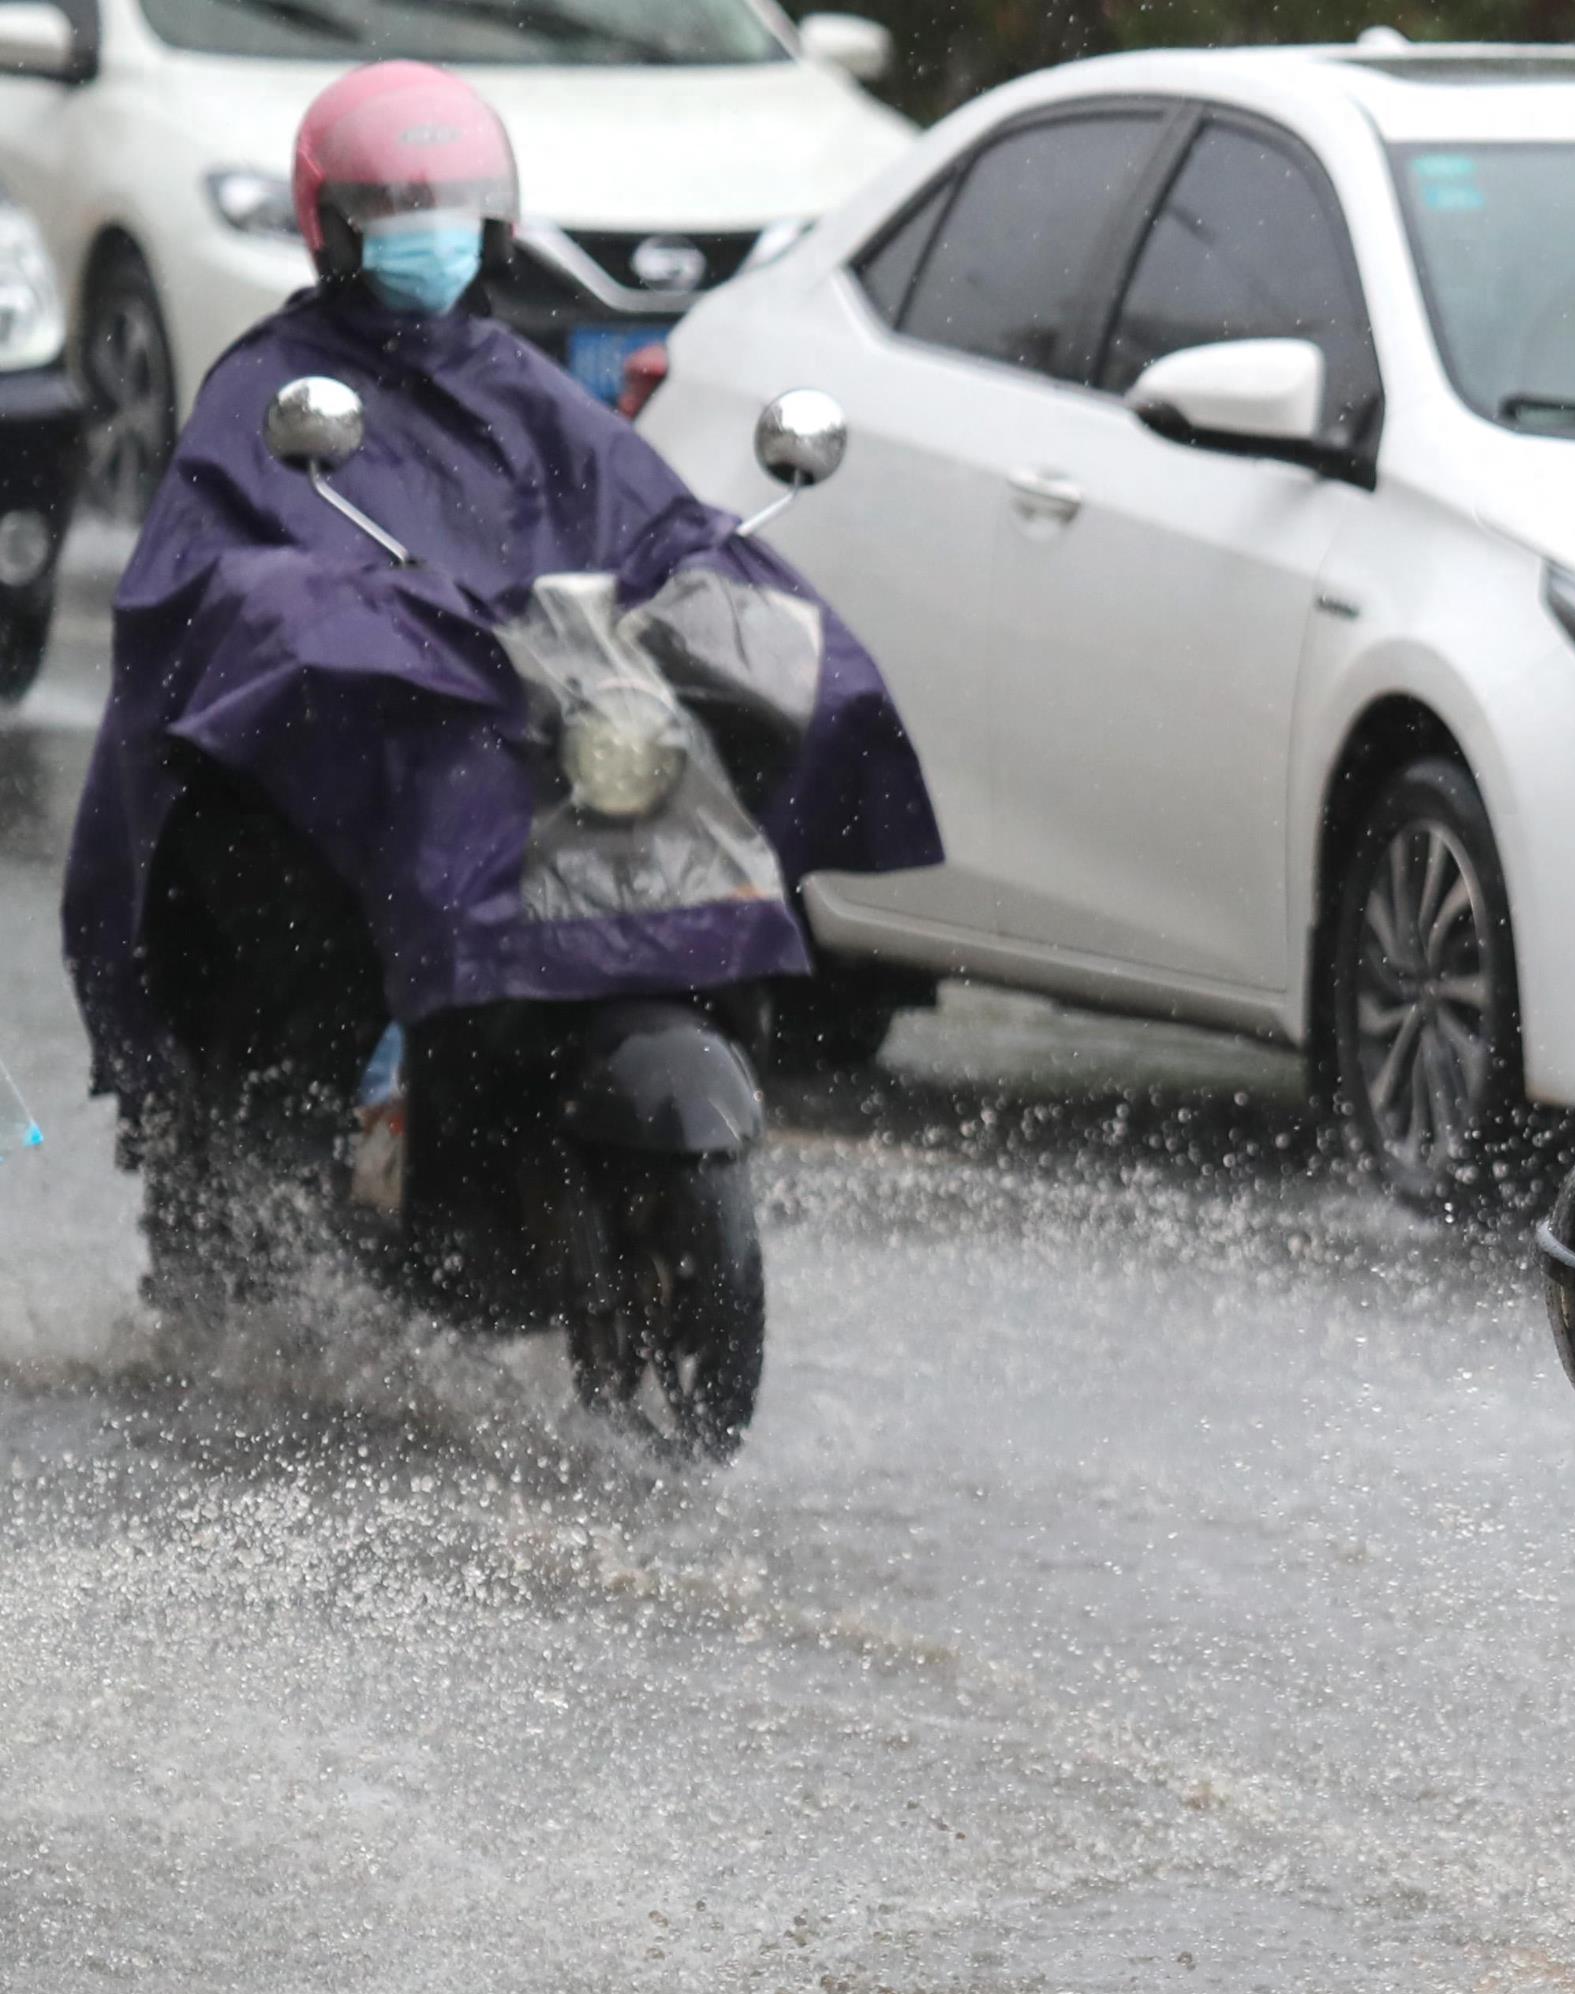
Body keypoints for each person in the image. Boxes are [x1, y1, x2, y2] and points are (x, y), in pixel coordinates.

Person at [60, 62, 936, 1288]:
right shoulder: (272, 393)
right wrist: (360, 621)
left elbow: (650, 519)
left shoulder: (520, 386)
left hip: (535, 759)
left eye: (449, 206)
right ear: (334, 224)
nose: (428, 233)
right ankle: (301, 1213)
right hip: (337, 787)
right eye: (395, 207)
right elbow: (216, 585)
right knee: (290, 1006)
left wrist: (724, 593)